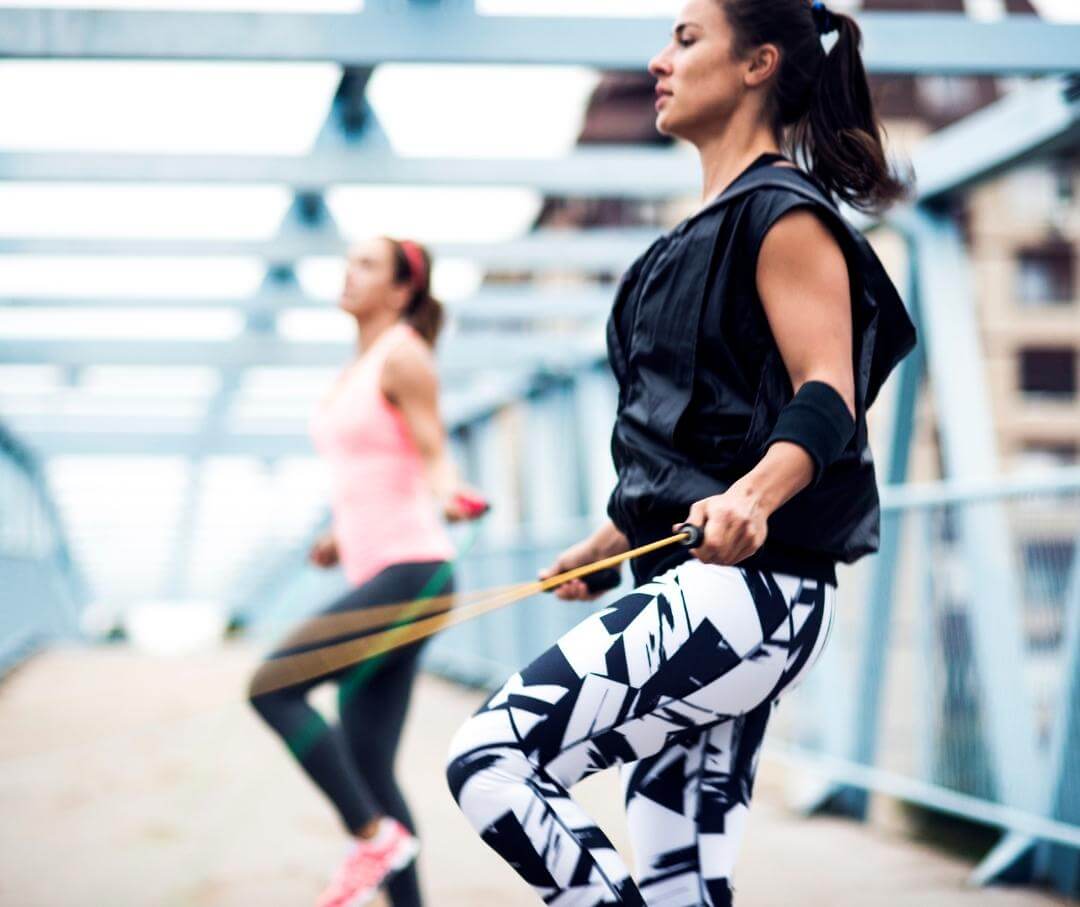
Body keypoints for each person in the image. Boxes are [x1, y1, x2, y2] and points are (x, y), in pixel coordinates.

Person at [445, 1, 917, 904]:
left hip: (747, 591)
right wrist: (611, 540)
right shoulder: (695, 232)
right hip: (722, 592)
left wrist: (752, 498)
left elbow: (828, 394)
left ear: (757, 64)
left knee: (492, 760)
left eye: (686, 39)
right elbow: (695, 431)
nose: (659, 59)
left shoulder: (784, 214)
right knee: (679, 874)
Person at [249, 236, 486, 907]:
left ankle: (370, 838)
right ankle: (391, 857)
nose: (347, 274)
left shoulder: (404, 354)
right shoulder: (358, 365)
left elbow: (432, 453)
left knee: (273, 686)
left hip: (415, 572)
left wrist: (449, 492)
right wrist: (336, 534)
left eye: (365, 266)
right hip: (378, 566)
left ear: (403, 289)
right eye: (347, 261)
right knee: (370, 763)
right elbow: (373, 470)